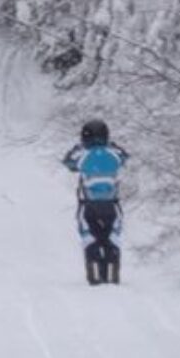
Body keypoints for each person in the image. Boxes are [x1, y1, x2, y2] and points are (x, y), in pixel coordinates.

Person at [62, 119, 129, 285]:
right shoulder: (114, 155)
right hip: (112, 205)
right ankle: (112, 274)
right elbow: (125, 156)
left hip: (88, 206)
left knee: (90, 238)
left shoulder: (82, 155)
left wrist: (78, 148)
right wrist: (112, 145)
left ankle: (95, 275)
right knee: (111, 238)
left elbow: (68, 162)